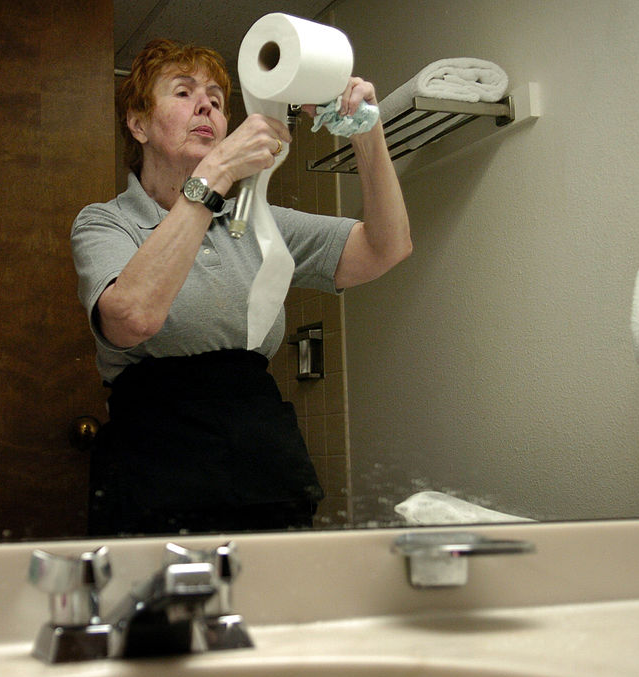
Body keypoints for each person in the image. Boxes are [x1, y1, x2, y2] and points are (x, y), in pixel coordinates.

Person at [71, 39, 411, 536]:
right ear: (138, 123)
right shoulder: (105, 223)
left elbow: (387, 248)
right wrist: (216, 174)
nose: (206, 104)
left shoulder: (256, 221)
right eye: (183, 92)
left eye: (215, 96)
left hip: (265, 466)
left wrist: (368, 133)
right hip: (154, 472)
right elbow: (132, 319)